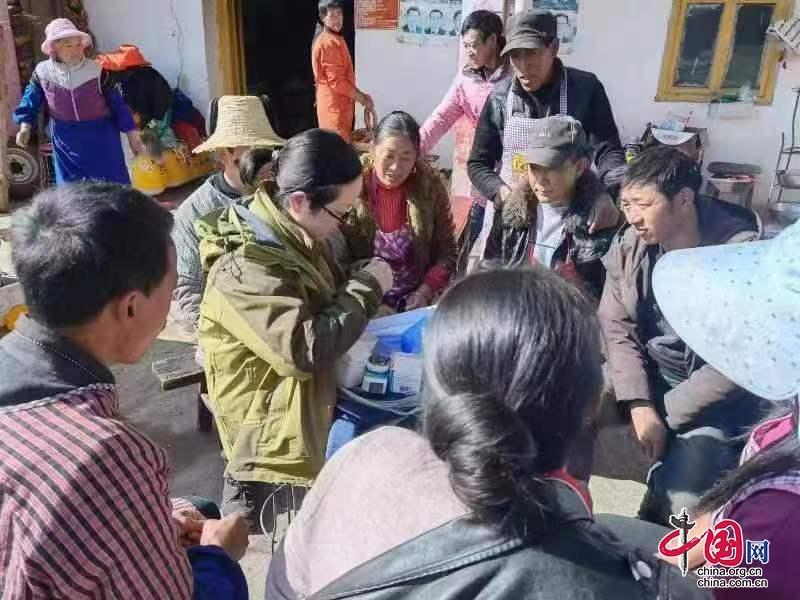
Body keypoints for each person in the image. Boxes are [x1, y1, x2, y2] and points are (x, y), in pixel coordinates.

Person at [266, 268, 704, 599]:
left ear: (434, 385)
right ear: (591, 404)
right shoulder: (624, 579)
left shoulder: (365, 455)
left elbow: (283, 581)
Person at [0, 183, 249, 598]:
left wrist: (160, 518)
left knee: (197, 507)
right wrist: (219, 555)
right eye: (169, 295)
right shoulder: (106, 455)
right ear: (131, 307)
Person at [196, 129, 393, 526]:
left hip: (299, 412)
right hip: (266, 441)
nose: (345, 223)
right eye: (342, 211)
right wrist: (368, 287)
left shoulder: (293, 231)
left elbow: (319, 292)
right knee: (251, 540)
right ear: (300, 201)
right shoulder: (247, 263)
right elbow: (305, 349)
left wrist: (359, 277)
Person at [600, 222, 800, 599]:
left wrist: (667, 412)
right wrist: (680, 550)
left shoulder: (781, 521)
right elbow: (615, 328)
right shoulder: (785, 422)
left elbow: (731, 584)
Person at [599, 146, 769, 526]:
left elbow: (736, 362)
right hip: (647, 375)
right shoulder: (631, 246)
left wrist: (664, 413)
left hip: (717, 399)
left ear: (683, 200)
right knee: (567, 403)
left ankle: (660, 529)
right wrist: (640, 403)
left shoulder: (739, 258)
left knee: (686, 497)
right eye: (626, 204)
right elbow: (615, 325)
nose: (633, 218)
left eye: (643, 204)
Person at [467, 10, 625, 253]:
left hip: (572, 218)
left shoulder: (585, 90)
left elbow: (608, 151)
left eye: (532, 53)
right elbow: (478, 162)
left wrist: (608, 194)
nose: (523, 65)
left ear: (554, 48)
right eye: (515, 56)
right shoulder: (499, 97)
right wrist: (500, 192)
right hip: (514, 218)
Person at [172, 95, 285, 332]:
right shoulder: (194, 211)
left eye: (265, 152)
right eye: (250, 153)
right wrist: (217, 337)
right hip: (227, 324)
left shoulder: (284, 196)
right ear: (223, 155)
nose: (262, 164)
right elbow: (189, 288)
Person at [484, 115, 619, 301]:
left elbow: (608, 298)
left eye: (552, 167)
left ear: (579, 167)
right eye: (534, 167)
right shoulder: (510, 215)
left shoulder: (600, 221)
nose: (540, 179)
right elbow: (489, 276)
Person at [343, 111, 457, 312]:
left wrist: (424, 291)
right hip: (363, 300)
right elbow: (337, 258)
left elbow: (447, 252)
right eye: (388, 155)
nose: (396, 168)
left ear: (416, 157)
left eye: (406, 157)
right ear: (372, 149)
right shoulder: (350, 186)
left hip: (415, 299)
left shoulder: (429, 188)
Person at [420, 10, 510, 260]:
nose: (469, 52)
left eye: (473, 45)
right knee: (473, 231)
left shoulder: (515, 76)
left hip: (514, 171)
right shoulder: (465, 80)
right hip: (483, 169)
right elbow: (440, 119)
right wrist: (412, 151)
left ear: (493, 40)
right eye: (466, 46)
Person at [13, 18, 144, 184]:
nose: (76, 50)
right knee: (73, 191)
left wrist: (133, 135)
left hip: (101, 136)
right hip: (66, 139)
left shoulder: (97, 71)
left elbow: (118, 105)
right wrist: (24, 126)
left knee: (112, 187)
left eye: (78, 45)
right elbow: (30, 99)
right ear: (54, 47)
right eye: (69, 45)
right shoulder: (42, 73)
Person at [312, 1, 374, 142]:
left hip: (340, 108)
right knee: (336, 152)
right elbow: (337, 82)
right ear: (323, 18)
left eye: (339, 14)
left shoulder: (336, 38)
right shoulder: (327, 43)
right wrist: (362, 99)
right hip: (334, 109)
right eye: (332, 15)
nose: (338, 19)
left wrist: (362, 96)